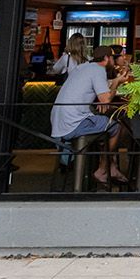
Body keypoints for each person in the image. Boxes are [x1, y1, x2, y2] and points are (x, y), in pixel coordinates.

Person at [49, 50, 131, 185]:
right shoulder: (99, 70)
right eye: (112, 58)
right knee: (116, 127)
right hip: (73, 124)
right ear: (106, 58)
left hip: (59, 121)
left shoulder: (83, 67)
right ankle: (103, 170)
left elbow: (94, 93)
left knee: (103, 126)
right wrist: (117, 82)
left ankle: (112, 167)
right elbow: (105, 100)